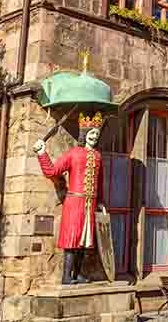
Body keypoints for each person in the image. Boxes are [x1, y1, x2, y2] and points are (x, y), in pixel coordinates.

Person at [34, 112, 106, 285]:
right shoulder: (73, 153)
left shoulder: (98, 156)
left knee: (84, 241)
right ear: (85, 134)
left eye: (97, 134)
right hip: (74, 202)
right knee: (72, 238)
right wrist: (42, 153)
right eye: (92, 133)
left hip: (90, 204)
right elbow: (52, 171)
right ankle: (66, 276)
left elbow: (100, 182)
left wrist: (100, 202)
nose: (94, 137)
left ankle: (77, 274)